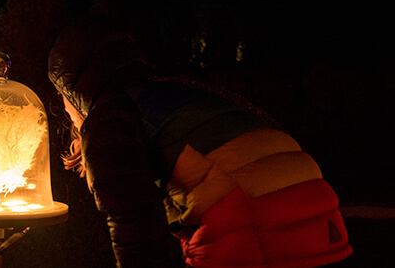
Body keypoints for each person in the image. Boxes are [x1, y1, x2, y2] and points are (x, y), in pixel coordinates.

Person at [47, 17, 352, 267]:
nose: (62, 105)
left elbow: (136, 227)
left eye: (61, 93)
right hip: (318, 213)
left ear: (75, 91)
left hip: (253, 218)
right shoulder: (168, 94)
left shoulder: (109, 118)